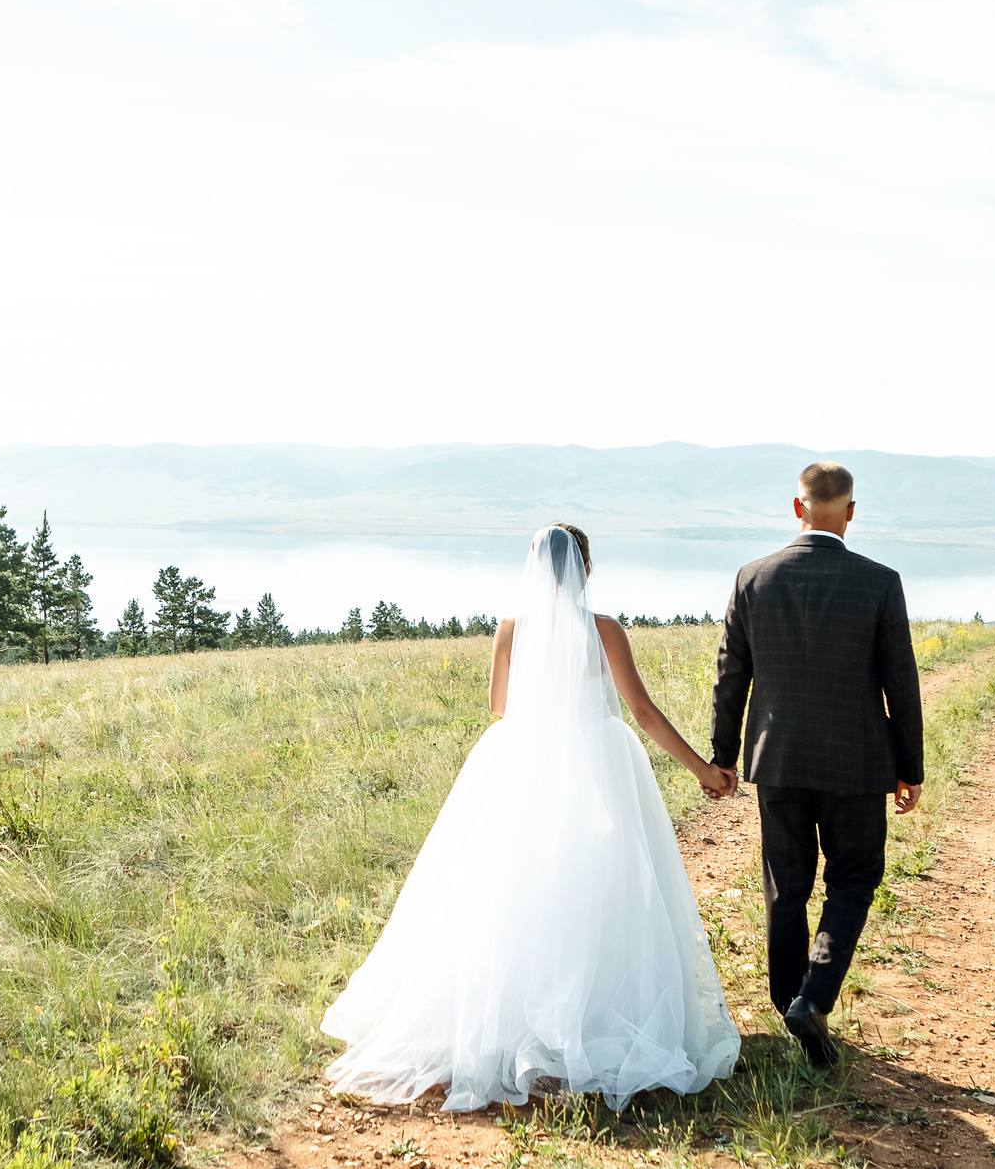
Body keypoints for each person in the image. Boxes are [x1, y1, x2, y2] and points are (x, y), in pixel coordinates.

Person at [322, 524, 740, 1111]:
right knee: (599, 893)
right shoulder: (604, 630)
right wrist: (702, 769)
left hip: (520, 765)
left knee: (513, 892)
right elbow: (642, 710)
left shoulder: (512, 629)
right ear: (585, 570)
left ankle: (513, 1025)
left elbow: (499, 705)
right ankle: (586, 1018)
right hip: (597, 766)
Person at [709, 461, 924, 1069]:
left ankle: (789, 1009)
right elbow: (900, 682)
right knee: (854, 878)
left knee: (786, 882)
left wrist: (722, 759)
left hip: (777, 758)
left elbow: (732, 677)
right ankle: (815, 996)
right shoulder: (880, 582)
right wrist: (911, 766)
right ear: (850, 513)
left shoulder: (754, 578)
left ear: (797, 508)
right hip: (858, 763)